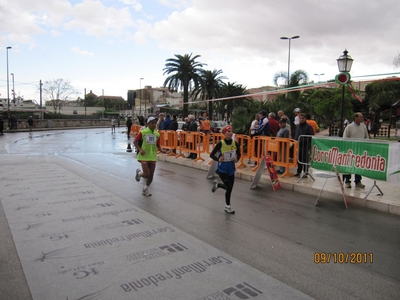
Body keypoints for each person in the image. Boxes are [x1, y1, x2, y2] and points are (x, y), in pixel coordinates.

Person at [210, 125, 241, 214]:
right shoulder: (221, 143)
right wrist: (218, 159)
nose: (230, 133)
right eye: (228, 131)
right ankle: (227, 206)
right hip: (222, 169)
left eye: (231, 131)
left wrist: (236, 159)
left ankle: (218, 185)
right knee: (229, 187)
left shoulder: (235, 143)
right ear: (224, 133)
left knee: (230, 188)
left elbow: (239, 154)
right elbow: (211, 155)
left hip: (231, 168)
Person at [133, 116, 167, 196]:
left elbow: (158, 145)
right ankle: (139, 174)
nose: (154, 125)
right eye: (152, 123)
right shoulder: (143, 132)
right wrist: (140, 149)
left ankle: (145, 188)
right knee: (147, 174)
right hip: (144, 156)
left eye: (155, 123)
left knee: (151, 174)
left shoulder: (157, 134)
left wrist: (162, 150)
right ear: (148, 124)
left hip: (152, 156)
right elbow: (135, 142)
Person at [342, 112, 369, 188]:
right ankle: (347, 181)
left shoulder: (363, 126)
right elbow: (345, 138)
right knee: (348, 165)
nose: (362, 118)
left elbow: (366, 137)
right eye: (360, 117)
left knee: (358, 166)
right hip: (350, 150)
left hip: (360, 150)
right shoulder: (349, 127)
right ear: (355, 118)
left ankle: (358, 181)